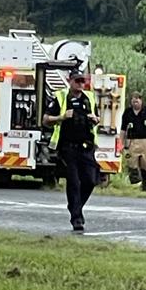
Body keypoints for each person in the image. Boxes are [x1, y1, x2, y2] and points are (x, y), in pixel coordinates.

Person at [43, 73, 100, 232]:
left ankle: (75, 206)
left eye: (83, 81)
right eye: (78, 81)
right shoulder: (61, 97)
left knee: (90, 180)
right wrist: (62, 117)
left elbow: (97, 118)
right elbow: (45, 120)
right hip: (68, 147)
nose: (81, 84)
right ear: (70, 81)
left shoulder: (89, 98)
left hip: (86, 146)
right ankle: (77, 218)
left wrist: (95, 119)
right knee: (74, 182)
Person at [120, 91, 146, 191]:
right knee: (132, 164)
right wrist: (120, 143)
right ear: (131, 102)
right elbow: (123, 129)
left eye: (137, 100)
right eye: (133, 100)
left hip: (145, 142)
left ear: (141, 100)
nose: (135, 102)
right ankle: (134, 187)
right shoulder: (127, 112)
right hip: (131, 142)